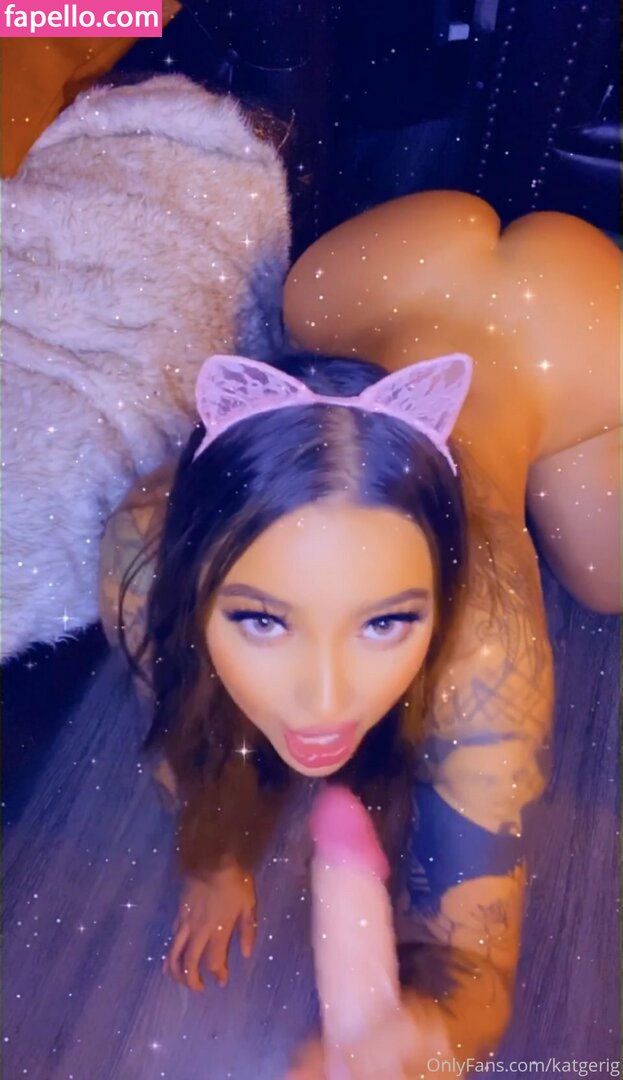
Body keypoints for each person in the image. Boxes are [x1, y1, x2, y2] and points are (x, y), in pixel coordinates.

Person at [99, 347, 544, 1076]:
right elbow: (178, 710)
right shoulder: (141, 556)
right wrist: (214, 856)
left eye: (385, 622)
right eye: (263, 620)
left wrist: (435, 1037)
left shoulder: (489, 652)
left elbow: (477, 953)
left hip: (552, 361)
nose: (327, 703)